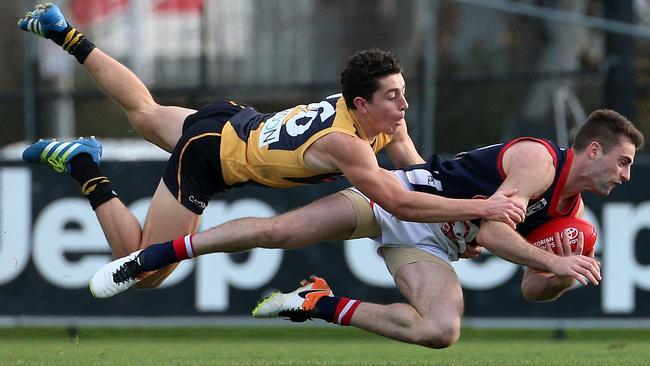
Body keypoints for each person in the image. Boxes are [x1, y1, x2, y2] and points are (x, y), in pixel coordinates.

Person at [19, 3, 525, 289]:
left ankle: (64, 32)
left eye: (404, 95)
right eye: (393, 97)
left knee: (146, 113)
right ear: (361, 103)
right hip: (210, 158)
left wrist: (463, 224)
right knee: (146, 270)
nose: (403, 107)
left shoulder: (378, 121)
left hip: (231, 121)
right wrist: (479, 206)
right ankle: (86, 167)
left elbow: (419, 179)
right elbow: (397, 201)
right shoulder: (349, 146)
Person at [91, 109, 643, 348]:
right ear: (592, 149)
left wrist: (563, 274)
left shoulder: (573, 217)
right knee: (281, 232)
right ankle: (156, 254)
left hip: (434, 241)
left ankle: (315, 304)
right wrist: (551, 259)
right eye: (621, 162)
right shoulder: (539, 161)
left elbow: (530, 286)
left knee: (440, 332)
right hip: (403, 200)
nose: (625, 174)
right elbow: (494, 228)